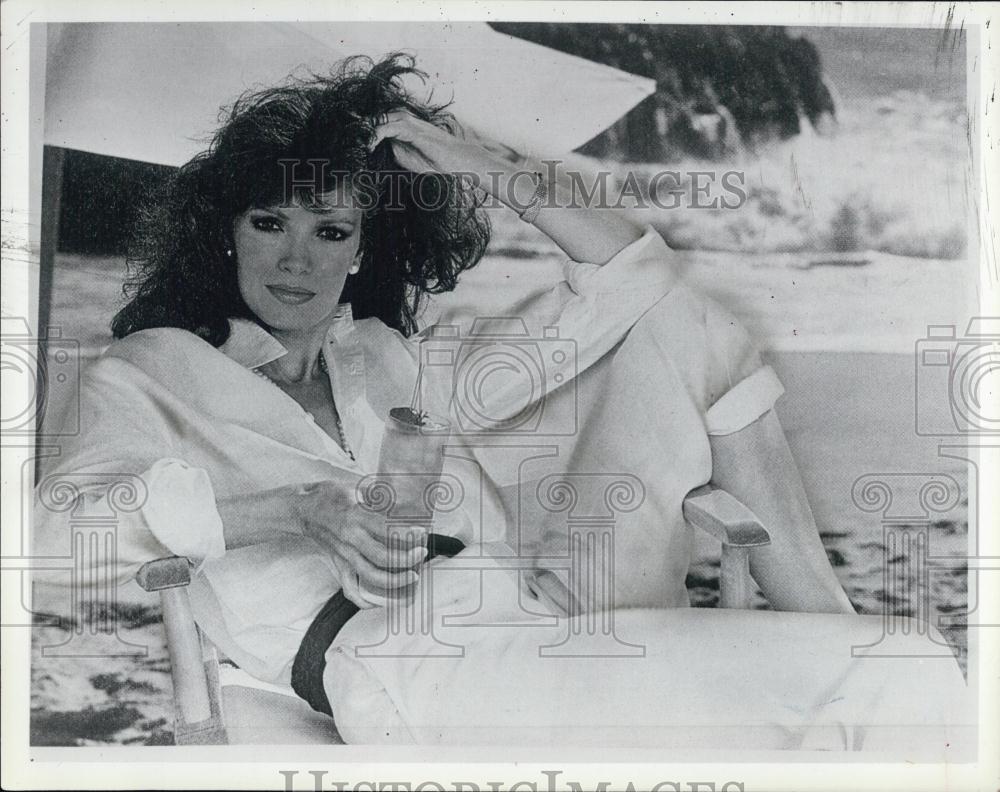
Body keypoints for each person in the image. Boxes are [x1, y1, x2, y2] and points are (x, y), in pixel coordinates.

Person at [34, 54, 965, 751]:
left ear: (363, 250)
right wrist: (293, 510)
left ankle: (825, 620)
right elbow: (48, 532)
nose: (296, 259)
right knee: (886, 689)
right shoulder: (153, 369)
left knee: (907, 673)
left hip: (539, 627)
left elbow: (633, 276)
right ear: (225, 231)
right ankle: (822, 613)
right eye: (269, 223)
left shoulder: (388, 360)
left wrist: (478, 159)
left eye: (331, 230)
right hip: (404, 665)